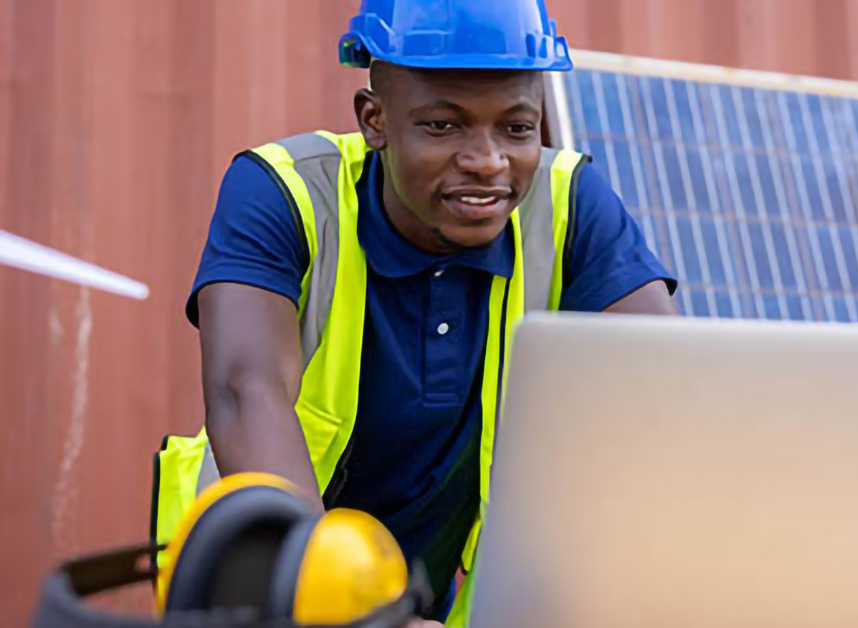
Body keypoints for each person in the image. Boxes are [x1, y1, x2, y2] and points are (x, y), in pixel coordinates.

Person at [151, 0, 676, 625]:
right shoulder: (282, 193)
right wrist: (347, 607)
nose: (488, 161)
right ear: (375, 120)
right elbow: (246, 392)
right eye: (443, 126)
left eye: (515, 128)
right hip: (264, 595)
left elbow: (665, 397)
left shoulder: (569, 206)